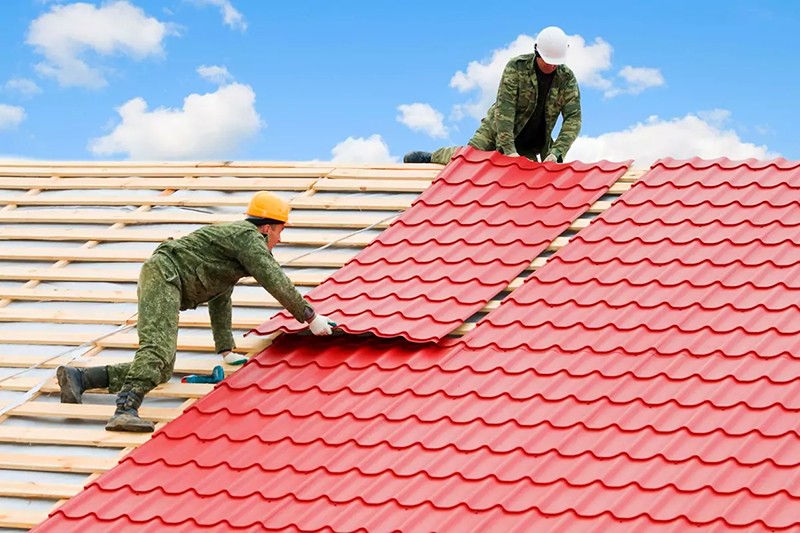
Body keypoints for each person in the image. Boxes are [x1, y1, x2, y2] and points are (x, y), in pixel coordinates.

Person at [56, 192, 335, 433]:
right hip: (165, 274)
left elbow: (221, 296)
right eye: (280, 231)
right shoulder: (248, 239)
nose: (280, 239)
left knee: (163, 370)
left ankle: (81, 378)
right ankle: (124, 411)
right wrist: (309, 316)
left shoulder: (233, 252)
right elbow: (275, 279)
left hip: (165, 277)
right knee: (157, 352)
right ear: (266, 228)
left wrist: (225, 349)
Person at [404, 26, 581, 165]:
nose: (552, 66)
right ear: (537, 52)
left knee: (525, 179)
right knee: (469, 160)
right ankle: (432, 156)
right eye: (548, 61)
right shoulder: (516, 68)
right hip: (496, 129)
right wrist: (509, 150)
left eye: (556, 63)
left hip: (531, 143)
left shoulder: (566, 79)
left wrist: (556, 152)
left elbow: (573, 119)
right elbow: (505, 109)